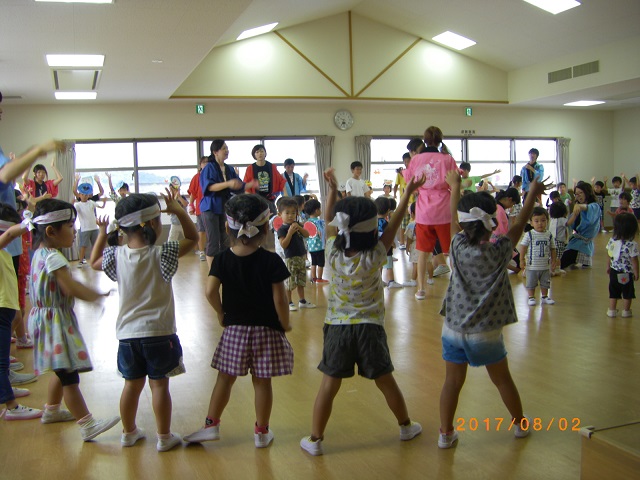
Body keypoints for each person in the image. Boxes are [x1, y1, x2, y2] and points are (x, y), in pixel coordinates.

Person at [299, 168, 424, 456]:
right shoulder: (377, 253)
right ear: (372, 228)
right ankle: (405, 426)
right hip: (370, 327)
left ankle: (316, 440)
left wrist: (331, 191)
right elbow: (391, 226)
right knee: (385, 380)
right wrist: (407, 193)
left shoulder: (332, 251)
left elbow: (330, 224)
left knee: (329, 385)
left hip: (338, 328)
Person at [437, 169, 552, 449]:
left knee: (452, 382)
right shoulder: (499, 250)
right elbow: (520, 222)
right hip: (485, 333)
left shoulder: (457, 245)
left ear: (465, 225)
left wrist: (454, 188)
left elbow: (452, 221)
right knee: (502, 380)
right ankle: (521, 426)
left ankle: (445, 434)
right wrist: (533, 194)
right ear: (492, 222)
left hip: (453, 329)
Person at [90, 190, 197, 451]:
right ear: (152, 224)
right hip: (159, 333)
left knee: (131, 385)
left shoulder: (115, 255)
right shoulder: (164, 253)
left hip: (127, 336)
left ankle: (128, 433)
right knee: (159, 386)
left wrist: (102, 233)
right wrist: (179, 211)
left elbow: (93, 261)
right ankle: (164, 437)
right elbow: (193, 239)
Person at [183, 194, 293, 448]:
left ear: (226, 227)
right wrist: (284, 323)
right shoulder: (271, 260)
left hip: (235, 330)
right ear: (266, 228)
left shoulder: (222, 258)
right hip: (266, 330)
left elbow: (210, 292)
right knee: (262, 381)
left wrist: (221, 314)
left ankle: (211, 425)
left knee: (225, 378)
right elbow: (280, 299)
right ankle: (262, 432)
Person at [26, 199, 120, 439]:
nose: (75, 230)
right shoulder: (55, 258)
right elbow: (70, 287)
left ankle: (52, 410)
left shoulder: (39, 254)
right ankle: (87, 424)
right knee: (68, 375)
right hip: (54, 322)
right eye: (70, 226)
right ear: (50, 231)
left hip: (42, 319)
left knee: (61, 368)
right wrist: (96, 295)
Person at [403, 126, 458, 300]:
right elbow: (455, 183)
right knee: (452, 251)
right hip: (444, 210)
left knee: (423, 252)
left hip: (424, 211)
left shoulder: (416, 159)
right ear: (440, 139)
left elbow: (411, 185)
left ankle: (421, 289)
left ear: (424, 140)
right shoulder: (447, 158)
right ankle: (457, 286)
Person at [0, 204, 42, 419]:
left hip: (7, 307)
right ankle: (10, 406)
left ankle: (5, 387)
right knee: (0, 361)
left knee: (3, 360)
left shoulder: (4, 251)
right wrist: (29, 221)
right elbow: (8, 234)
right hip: (1, 308)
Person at [200, 140, 257, 266]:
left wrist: (250, 185)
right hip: (210, 207)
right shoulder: (209, 167)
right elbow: (209, 187)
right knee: (213, 240)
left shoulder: (229, 169)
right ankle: (213, 272)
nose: (227, 151)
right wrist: (228, 183)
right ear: (215, 152)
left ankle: (224, 268)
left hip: (224, 207)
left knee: (226, 239)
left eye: (227, 148)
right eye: (223, 148)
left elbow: (238, 186)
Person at [277, 197, 315, 311]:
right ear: (280, 214)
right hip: (290, 259)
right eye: (287, 213)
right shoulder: (282, 229)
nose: (290, 215)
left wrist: (299, 227)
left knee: (301, 280)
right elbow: (283, 244)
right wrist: (289, 233)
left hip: (301, 257)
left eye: (293, 213)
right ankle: (289, 302)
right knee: (290, 282)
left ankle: (302, 301)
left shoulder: (297, 224)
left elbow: (307, 234)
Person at [518, 207, 557, 306]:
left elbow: (553, 248)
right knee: (531, 282)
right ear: (531, 223)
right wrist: (521, 259)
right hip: (532, 266)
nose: (540, 223)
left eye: (543, 220)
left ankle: (544, 296)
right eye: (536, 221)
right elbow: (523, 247)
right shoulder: (529, 234)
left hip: (545, 265)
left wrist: (554, 260)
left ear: (547, 221)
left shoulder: (549, 235)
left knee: (545, 282)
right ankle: (531, 297)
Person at [560, 182, 601, 270]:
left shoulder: (595, 206)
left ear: (587, 192)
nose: (578, 196)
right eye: (576, 194)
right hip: (576, 241)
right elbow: (569, 223)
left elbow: (589, 208)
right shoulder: (577, 207)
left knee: (561, 263)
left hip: (583, 244)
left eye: (580, 193)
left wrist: (580, 206)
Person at [605, 213, 639, 318]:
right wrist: (637, 272)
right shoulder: (632, 244)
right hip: (627, 273)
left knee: (613, 291)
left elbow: (609, 255)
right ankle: (626, 311)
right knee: (627, 292)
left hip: (614, 271)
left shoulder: (612, 241)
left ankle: (612, 310)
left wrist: (608, 267)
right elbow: (634, 260)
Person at [243, 145, 286, 223]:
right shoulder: (250, 168)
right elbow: (246, 186)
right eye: (257, 152)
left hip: (270, 200)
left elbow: (281, 181)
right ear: (254, 155)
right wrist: (249, 202)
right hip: (256, 201)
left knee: (273, 223)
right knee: (256, 224)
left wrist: (286, 197)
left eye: (262, 151)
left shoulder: (272, 166)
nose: (260, 153)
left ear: (265, 153)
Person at [74, 182, 103, 267]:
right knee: (83, 245)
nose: (85, 196)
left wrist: (104, 203)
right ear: (79, 195)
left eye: (86, 195)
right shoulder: (77, 204)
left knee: (96, 244)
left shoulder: (91, 202)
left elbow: (100, 206)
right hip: (84, 228)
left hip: (94, 227)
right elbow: (75, 210)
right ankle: (81, 261)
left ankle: (96, 259)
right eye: (83, 194)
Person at [375, 197, 402, 288]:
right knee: (389, 265)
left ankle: (379, 281)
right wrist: (392, 244)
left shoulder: (374, 222)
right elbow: (387, 235)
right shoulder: (385, 223)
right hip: (387, 248)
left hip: (377, 248)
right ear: (388, 210)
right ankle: (391, 281)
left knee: (379, 265)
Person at [493, 188, 522, 273]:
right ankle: (499, 262)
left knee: (519, 261)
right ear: (510, 199)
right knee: (518, 265)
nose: (512, 206)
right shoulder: (499, 209)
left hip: (499, 240)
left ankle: (499, 262)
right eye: (513, 204)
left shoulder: (498, 207)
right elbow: (500, 230)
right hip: (497, 241)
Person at [188, 156, 209, 261]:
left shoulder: (213, 176)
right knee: (201, 231)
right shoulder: (197, 177)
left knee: (214, 231)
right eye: (203, 162)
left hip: (213, 208)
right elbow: (193, 193)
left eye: (207, 162)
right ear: (200, 165)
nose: (205, 164)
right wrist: (190, 205)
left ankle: (212, 250)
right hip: (200, 209)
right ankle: (202, 252)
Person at [304, 199, 328, 284]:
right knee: (321, 263)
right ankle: (320, 278)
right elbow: (321, 234)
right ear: (317, 210)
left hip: (311, 247)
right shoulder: (318, 222)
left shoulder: (307, 223)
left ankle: (313, 278)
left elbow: (306, 235)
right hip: (319, 247)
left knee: (313, 262)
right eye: (320, 209)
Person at [394, 152, 412, 249]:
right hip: (404, 201)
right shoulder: (401, 174)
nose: (406, 163)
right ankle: (401, 242)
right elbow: (396, 185)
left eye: (407, 161)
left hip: (413, 202)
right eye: (404, 161)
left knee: (413, 222)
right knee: (403, 222)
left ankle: (412, 242)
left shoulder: (414, 172)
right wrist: (394, 195)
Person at [549, 201, 569, 275]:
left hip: (552, 241)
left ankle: (553, 269)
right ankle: (556, 269)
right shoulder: (562, 220)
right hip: (559, 242)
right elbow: (569, 223)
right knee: (558, 256)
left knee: (553, 256)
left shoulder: (553, 220)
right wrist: (575, 215)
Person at [167, 177, 190, 241]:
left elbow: (185, 204)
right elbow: (168, 212)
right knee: (171, 240)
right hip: (174, 223)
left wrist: (179, 196)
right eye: (170, 190)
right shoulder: (170, 199)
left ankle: (196, 250)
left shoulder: (182, 197)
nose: (171, 191)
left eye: (173, 189)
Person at [403, 202, 419, 286]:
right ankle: (430, 278)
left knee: (415, 263)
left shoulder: (411, 224)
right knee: (427, 262)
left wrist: (407, 246)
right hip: (426, 246)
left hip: (416, 246)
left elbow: (409, 238)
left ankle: (413, 280)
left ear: (412, 213)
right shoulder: (426, 224)